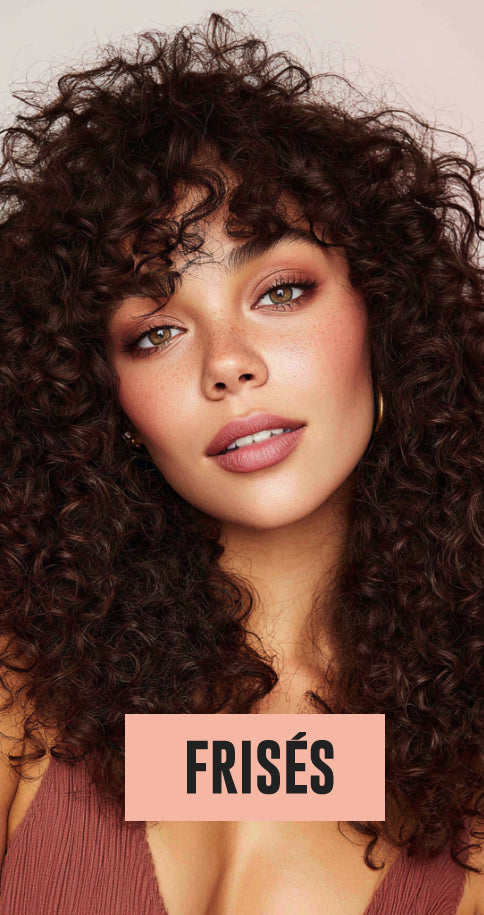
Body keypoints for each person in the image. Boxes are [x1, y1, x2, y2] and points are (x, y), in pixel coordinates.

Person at [0, 13, 482, 915]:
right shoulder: (21, 691)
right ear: (101, 399)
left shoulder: (466, 765)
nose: (229, 361)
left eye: (281, 291)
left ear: (390, 315)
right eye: (158, 331)